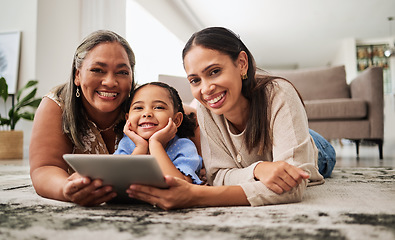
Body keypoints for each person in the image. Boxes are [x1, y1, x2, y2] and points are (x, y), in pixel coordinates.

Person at [127, 27, 336, 210]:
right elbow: (217, 176)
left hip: (317, 147)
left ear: (242, 64)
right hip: (258, 159)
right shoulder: (203, 107)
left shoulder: (279, 93)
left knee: (311, 157)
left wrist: (194, 196)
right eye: (195, 80)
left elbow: (293, 186)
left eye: (215, 71)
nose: (206, 88)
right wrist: (258, 169)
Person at [29, 30, 137, 206]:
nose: (110, 82)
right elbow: (44, 168)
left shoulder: (142, 101)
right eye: (97, 70)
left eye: (122, 72)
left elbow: (187, 115)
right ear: (77, 75)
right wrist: (66, 189)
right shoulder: (56, 105)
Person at [114, 82, 202, 185]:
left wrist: (156, 144)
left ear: (177, 120)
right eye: (138, 108)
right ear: (127, 118)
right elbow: (119, 181)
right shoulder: (126, 144)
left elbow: (181, 184)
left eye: (158, 107)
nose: (147, 114)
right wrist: (140, 148)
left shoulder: (184, 146)